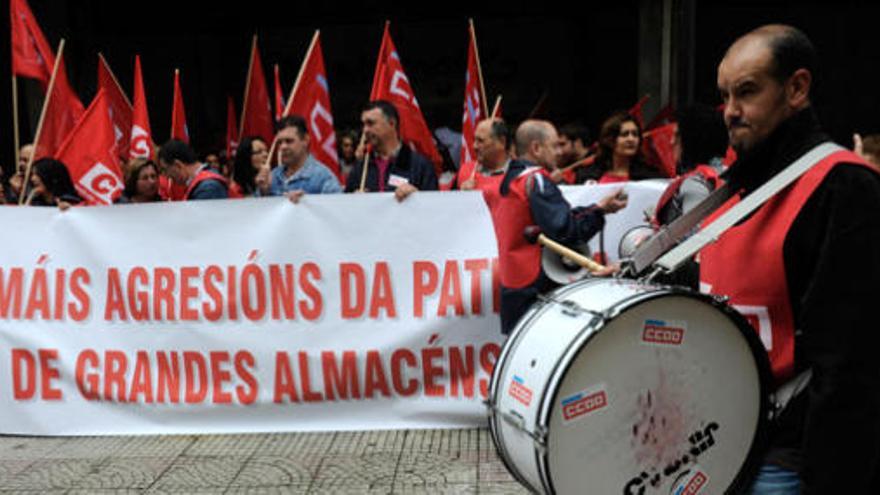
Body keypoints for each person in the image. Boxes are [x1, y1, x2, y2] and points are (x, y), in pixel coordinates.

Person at [701, 24, 880, 493]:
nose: (730, 112)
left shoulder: (845, 187)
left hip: (788, 456)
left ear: (796, 88)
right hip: (723, 441)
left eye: (747, 92)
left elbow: (848, 358)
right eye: (724, 96)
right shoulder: (738, 188)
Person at [495, 120, 627, 334]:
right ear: (536, 148)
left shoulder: (510, 178)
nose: (559, 152)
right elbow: (565, 231)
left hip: (513, 286)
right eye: (555, 145)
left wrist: (598, 207)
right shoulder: (536, 179)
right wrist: (599, 212)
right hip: (537, 288)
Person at [345, 100, 438, 201]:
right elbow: (343, 208)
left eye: (370, 123)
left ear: (391, 123)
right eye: (364, 124)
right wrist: (352, 200)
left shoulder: (420, 166)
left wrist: (416, 197)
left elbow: (434, 208)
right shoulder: (361, 167)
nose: (365, 130)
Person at [269, 115, 342, 202]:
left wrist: (307, 202)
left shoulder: (324, 178)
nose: (283, 147)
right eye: (280, 142)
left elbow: (337, 210)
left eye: (289, 141)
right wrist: (264, 192)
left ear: (305, 140)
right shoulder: (272, 176)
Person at [577, 111, 664, 184]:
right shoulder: (589, 175)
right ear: (610, 140)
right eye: (624, 134)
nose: (631, 139)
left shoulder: (650, 177)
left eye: (635, 134)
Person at [456, 118, 511, 212]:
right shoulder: (466, 171)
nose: (474, 146)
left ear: (502, 142)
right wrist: (461, 198)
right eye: (474, 140)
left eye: (480, 141)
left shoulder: (520, 175)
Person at [158, 139, 228, 200]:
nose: (166, 176)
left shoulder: (208, 188)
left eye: (165, 169)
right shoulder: (204, 184)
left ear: (178, 165)